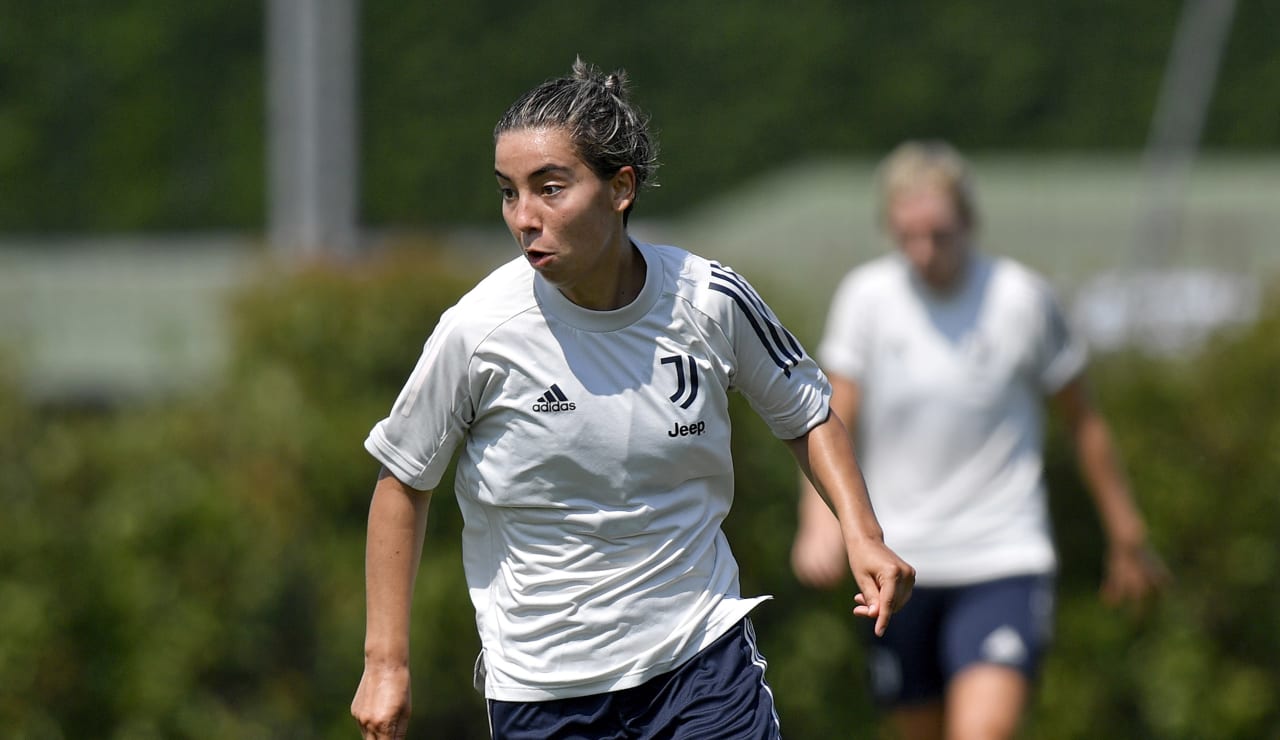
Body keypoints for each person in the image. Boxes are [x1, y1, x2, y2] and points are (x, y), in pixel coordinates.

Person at [350, 58, 916, 740]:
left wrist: (863, 535)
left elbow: (806, 410)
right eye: (508, 192)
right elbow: (402, 482)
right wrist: (386, 662)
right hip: (543, 687)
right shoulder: (478, 332)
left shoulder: (709, 300)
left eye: (549, 188)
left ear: (621, 188)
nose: (524, 218)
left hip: (698, 658)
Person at [790, 140, 1170, 740]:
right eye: (908, 235)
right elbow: (830, 421)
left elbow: (1084, 422)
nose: (924, 250)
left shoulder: (1021, 299)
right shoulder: (867, 299)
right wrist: (819, 521)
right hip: (900, 565)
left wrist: (1126, 532)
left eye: (938, 233)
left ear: (968, 221)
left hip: (1003, 555)